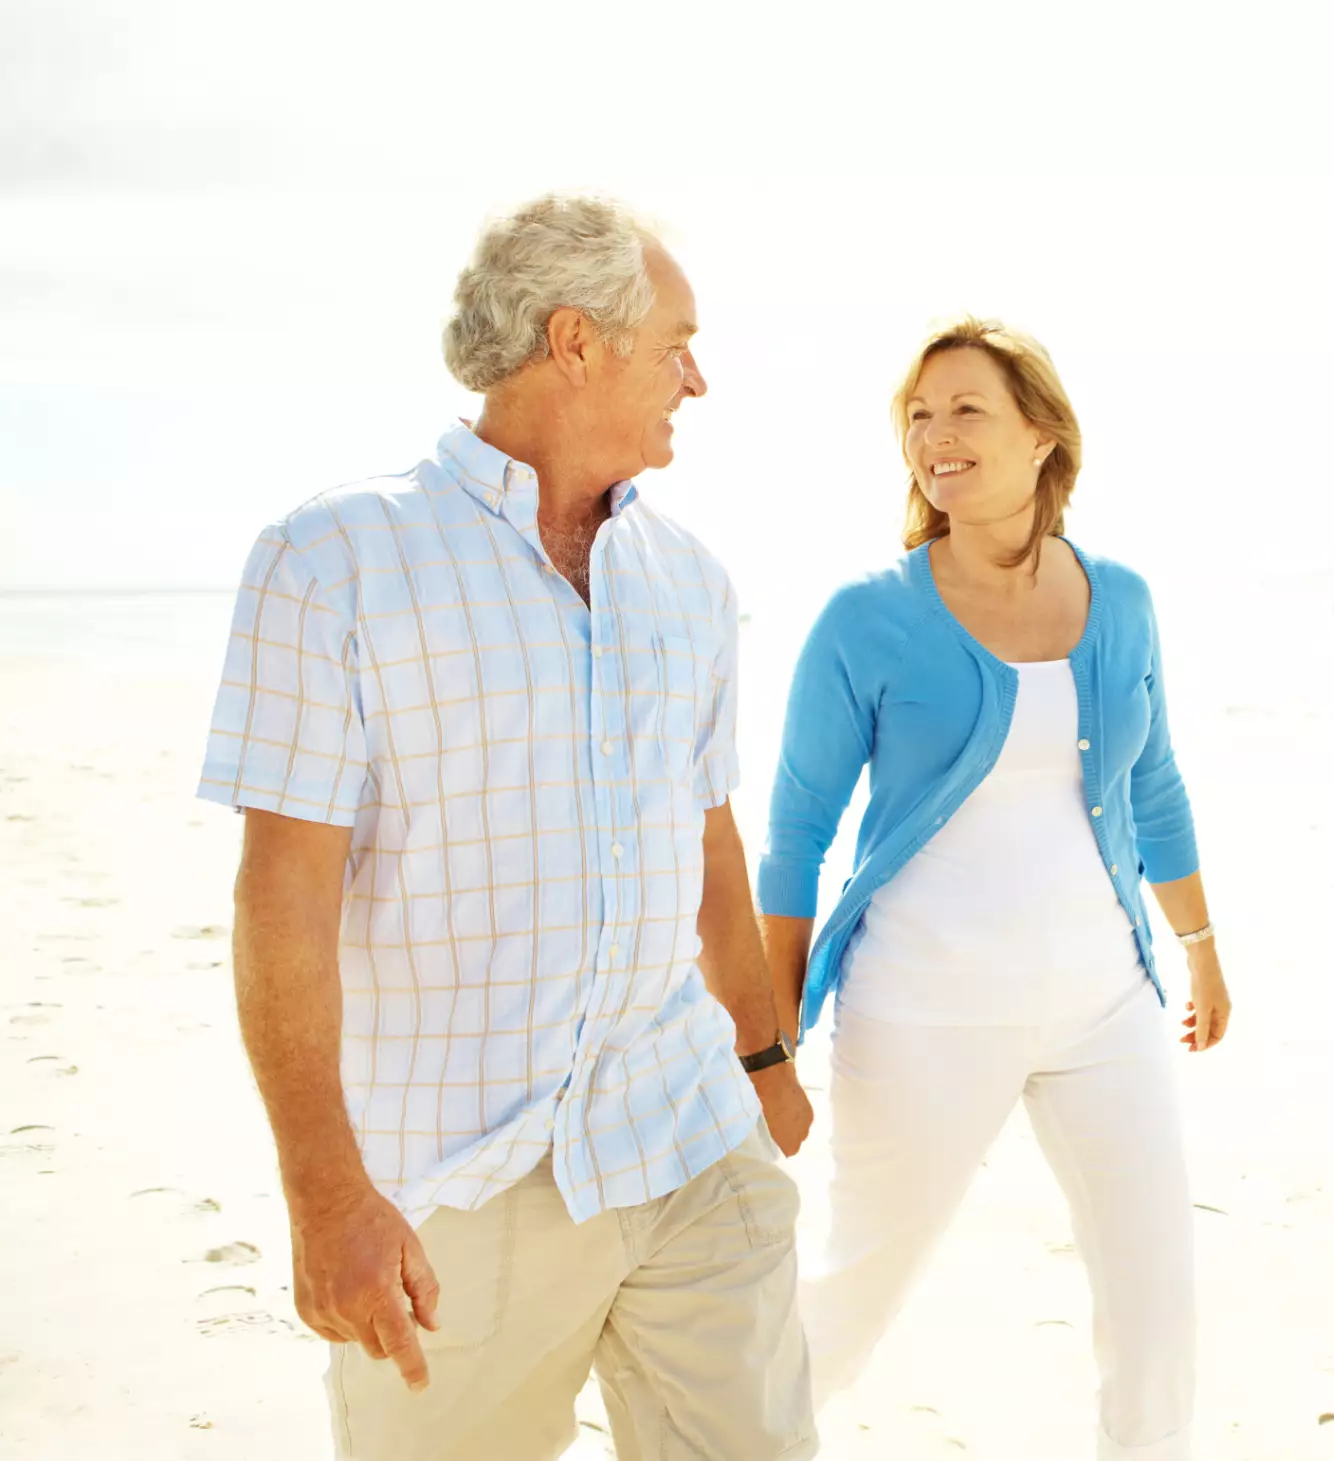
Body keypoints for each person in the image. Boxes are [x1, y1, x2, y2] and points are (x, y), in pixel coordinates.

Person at [199, 194, 816, 1461]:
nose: (696, 380)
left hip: (688, 1140)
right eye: (675, 344)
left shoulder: (691, 582)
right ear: (576, 341)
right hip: (456, 1196)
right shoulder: (331, 562)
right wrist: (325, 1197)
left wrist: (763, 1066)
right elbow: (284, 900)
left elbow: (710, 844)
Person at [758, 317, 1232, 1460]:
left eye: (965, 410)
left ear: (1040, 436)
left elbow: (1153, 779)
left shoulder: (1119, 601)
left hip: (1104, 1006)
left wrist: (1200, 947)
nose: (935, 437)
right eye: (918, 417)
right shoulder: (863, 618)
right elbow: (794, 838)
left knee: (1156, 1303)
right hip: (920, 1012)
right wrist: (770, 1038)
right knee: (857, 1293)